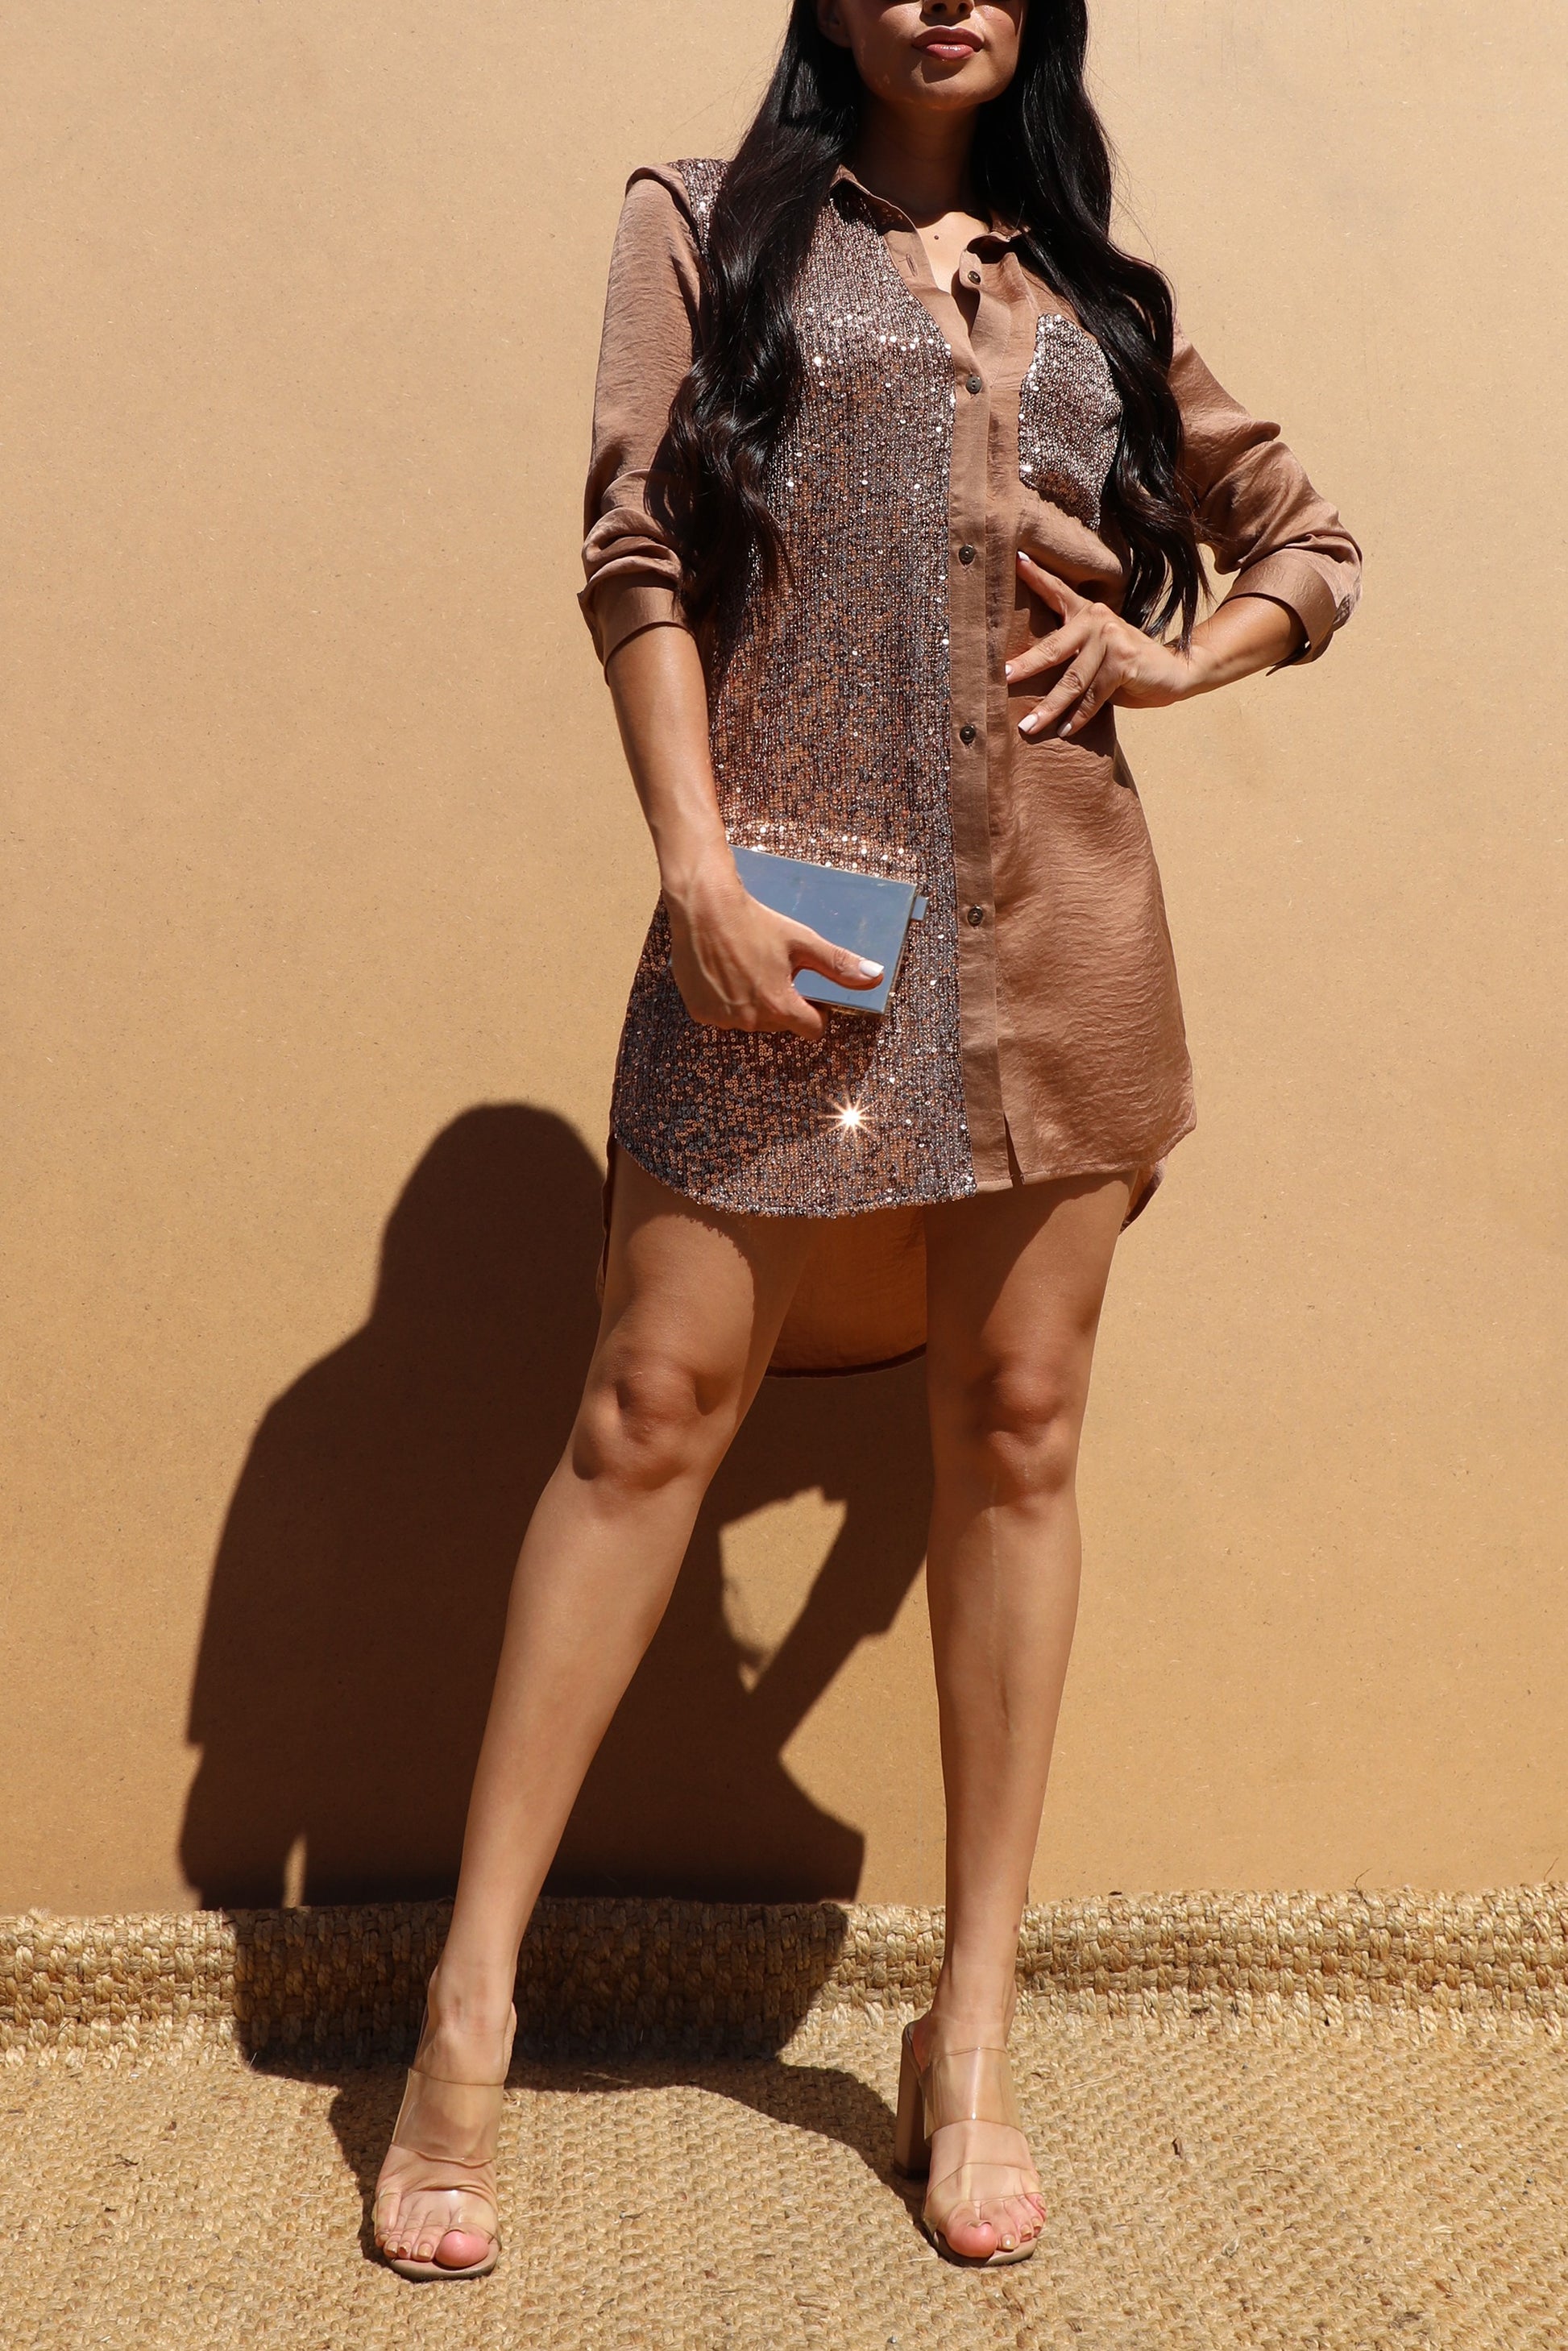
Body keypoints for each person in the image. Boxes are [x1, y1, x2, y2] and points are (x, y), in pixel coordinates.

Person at [371, 0, 1360, 2278]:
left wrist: (1183, 660)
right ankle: (464, 2021)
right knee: (647, 1414)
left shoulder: (1091, 291)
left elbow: (1302, 542)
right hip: (787, 924)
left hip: (1062, 940)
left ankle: (968, 2041)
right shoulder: (704, 227)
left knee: (1016, 1432)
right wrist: (695, 869)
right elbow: (635, 552)